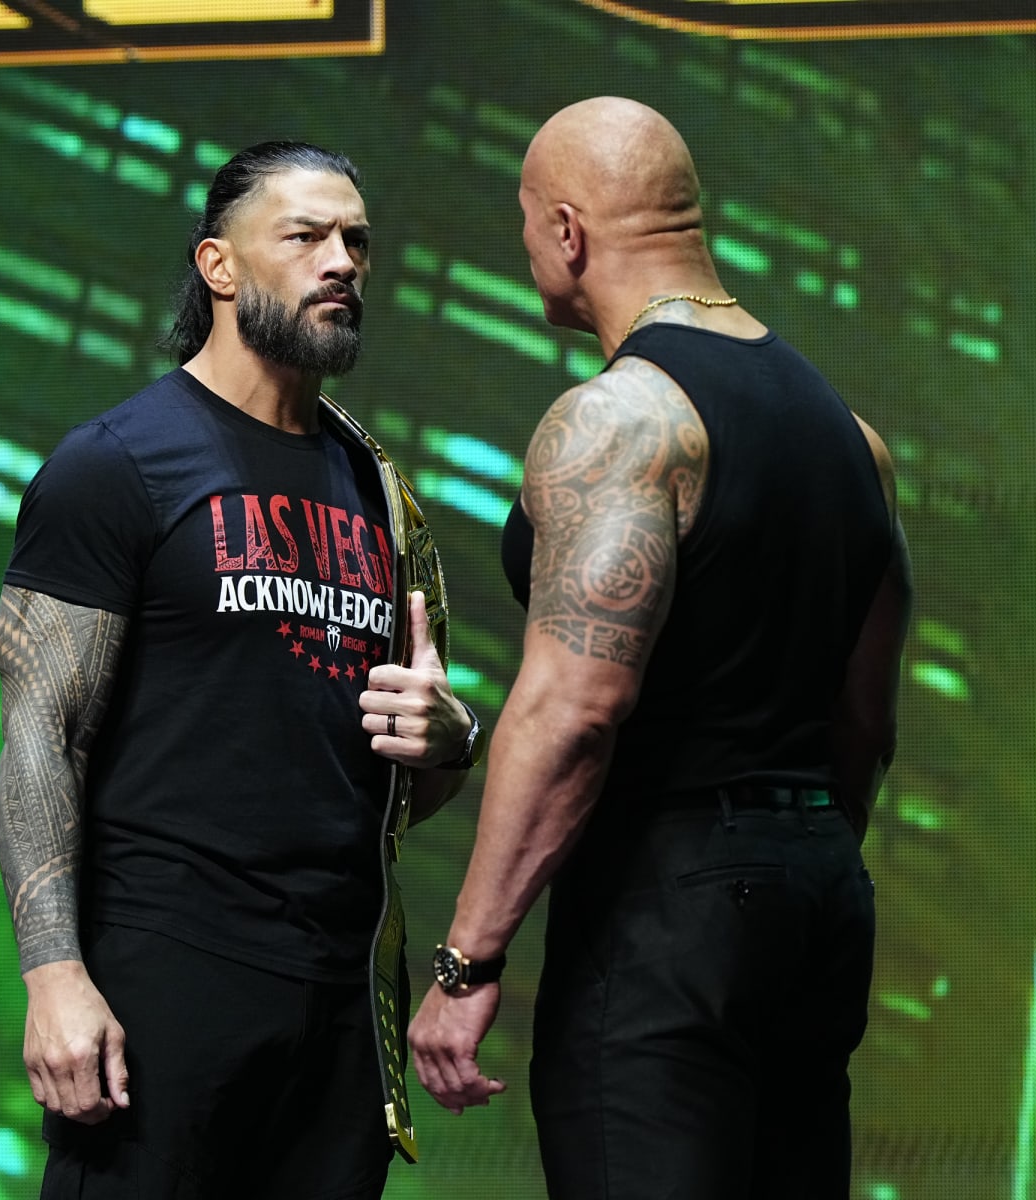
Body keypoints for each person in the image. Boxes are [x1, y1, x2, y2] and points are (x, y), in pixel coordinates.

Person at [407, 97, 913, 1199]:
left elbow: (575, 708)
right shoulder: (852, 439)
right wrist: (789, 858)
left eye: (527, 226)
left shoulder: (623, 418)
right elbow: (867, 717)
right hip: (818, 888)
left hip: (668, 908)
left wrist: (467, 960)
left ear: (567, 232)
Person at [0, 141, 480, 1199]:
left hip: (339, 1002)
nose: (342, 260)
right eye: (305, 237)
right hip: (165, 981)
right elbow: (42, 734)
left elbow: (407, 779)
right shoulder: (117, 464)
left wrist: (454, 742)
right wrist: (53, 975)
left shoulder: (380, 491)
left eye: (356, 239)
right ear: (217, 265)